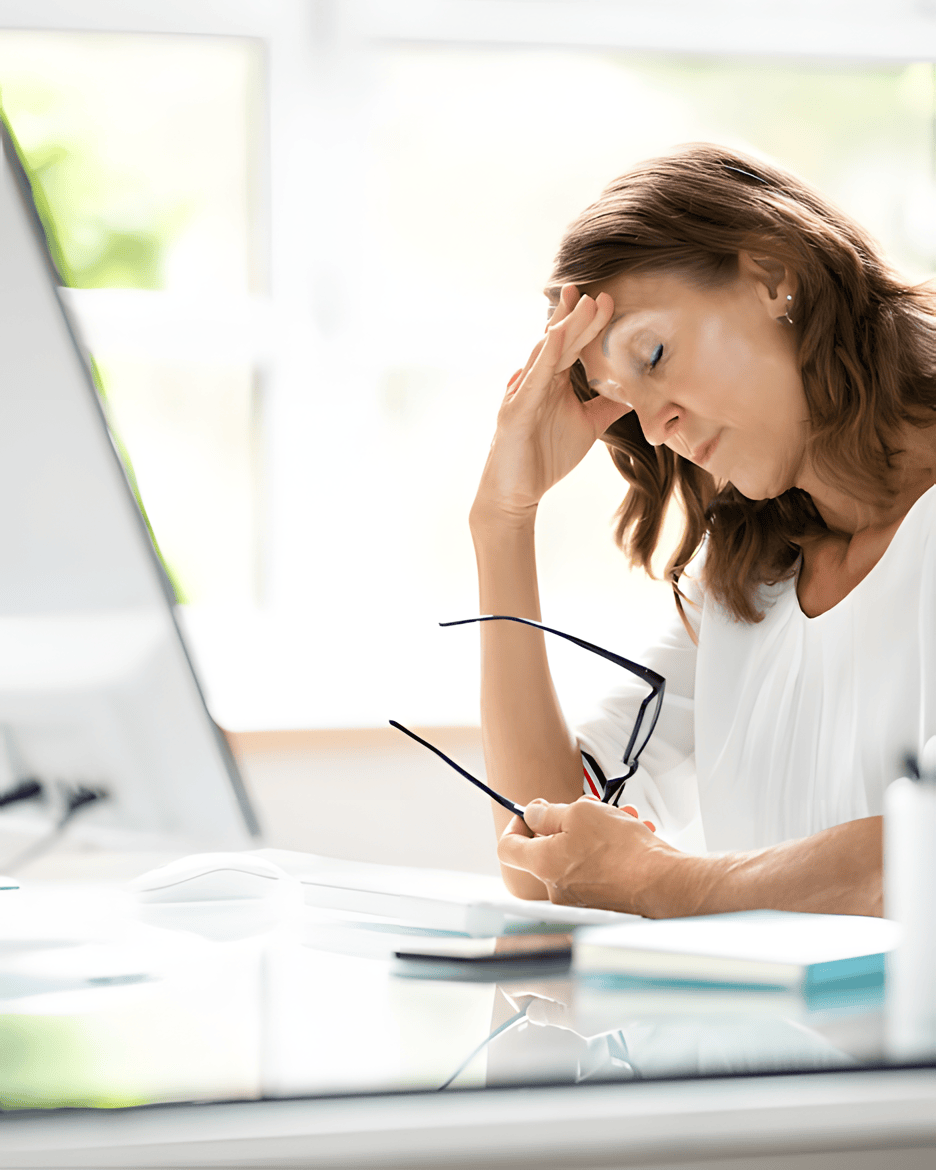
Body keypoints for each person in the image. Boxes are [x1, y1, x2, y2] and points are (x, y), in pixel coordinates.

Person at [472, 143, 936, 918]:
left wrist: (666, 883)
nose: (655, 427)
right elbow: (547, 864)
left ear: (774, 277)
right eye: (623, 399)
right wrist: (503, 522)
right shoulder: (747, 579)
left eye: (651, 355)